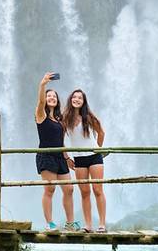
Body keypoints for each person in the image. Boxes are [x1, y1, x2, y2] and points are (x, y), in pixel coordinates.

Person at [34, 72, 78, 231]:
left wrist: (67, 157)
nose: (52, 98)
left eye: (54, 96)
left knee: (69, 189)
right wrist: (43, 84)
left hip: (60, 157)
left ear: (57, 100)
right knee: (50, 189)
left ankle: (70, 223)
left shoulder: (59, 120)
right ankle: (50, 223)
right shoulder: (41, 115)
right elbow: (40, 102)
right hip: (46, 156)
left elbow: (61, 141)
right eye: (49, 96)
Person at [63, 89, 106, 233]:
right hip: (79, 159)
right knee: (84, 192)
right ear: (70, 100)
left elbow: (101, 132)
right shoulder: (65, 119)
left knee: (98, 189)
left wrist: (99, 149)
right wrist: (67, 157)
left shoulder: (88, 117)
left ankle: (101, 224)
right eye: (74, 97)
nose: (76, 99)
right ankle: (88, 225)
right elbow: (60, 140)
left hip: (94, 157)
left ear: (83, 101)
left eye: (79, 98)